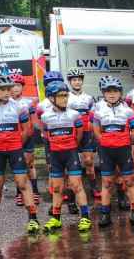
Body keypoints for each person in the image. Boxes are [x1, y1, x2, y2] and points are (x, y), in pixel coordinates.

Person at [0, 74, 39, 235]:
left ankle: (33, 220)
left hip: (15, 150)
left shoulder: (19, 107)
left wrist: (15, 144)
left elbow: (26, 131)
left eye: (8, 88)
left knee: (23, 184)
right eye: (2, 89)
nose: (7, 92)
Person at [40, 81, 92, 233]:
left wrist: (70, 146)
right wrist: (50, 156)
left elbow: (79, 135)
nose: (65, 99)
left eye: (66, 95)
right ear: (51, 98)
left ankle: (85, 218)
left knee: (77, 186)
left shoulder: (74, 115)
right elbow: (45, 136)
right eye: (61, 96)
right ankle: (56, 219)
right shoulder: (45, 117)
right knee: (57, 188)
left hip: (70, 154)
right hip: (55, 155)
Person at [92, 76, 134, 227]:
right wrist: (103, 141)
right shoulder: (98, 110)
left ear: (120, 93)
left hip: (123, 150)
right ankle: (105, 213)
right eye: (108, 92)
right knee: (107, 183)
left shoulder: (128, 110)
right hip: (106, 151)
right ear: (103, 93)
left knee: (129, 181)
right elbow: (95, 129)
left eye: (114, 91)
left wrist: (127, 142)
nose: (111, 94)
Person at [65, 67, 98, 200]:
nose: (77, 82)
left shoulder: (89, 98)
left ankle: (94, 187)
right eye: (74, 80)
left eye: (79, 80)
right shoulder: (66, 97)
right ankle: (71, 189)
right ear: (70, 82)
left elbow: (92, 115)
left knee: (89, 162)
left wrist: (91, 129)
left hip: (85, 133)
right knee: (70, 163)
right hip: (71, 133)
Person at [10, 73, 40, 206]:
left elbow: (34, 122)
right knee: (18, 167)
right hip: (12, 137)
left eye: (18, 85)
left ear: (22, 87)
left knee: (29, 165)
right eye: (13, 85)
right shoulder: (6, 102)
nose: (15, 88)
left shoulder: (29, 102)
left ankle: (35, 191)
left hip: (27, 136)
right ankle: (19, 192)